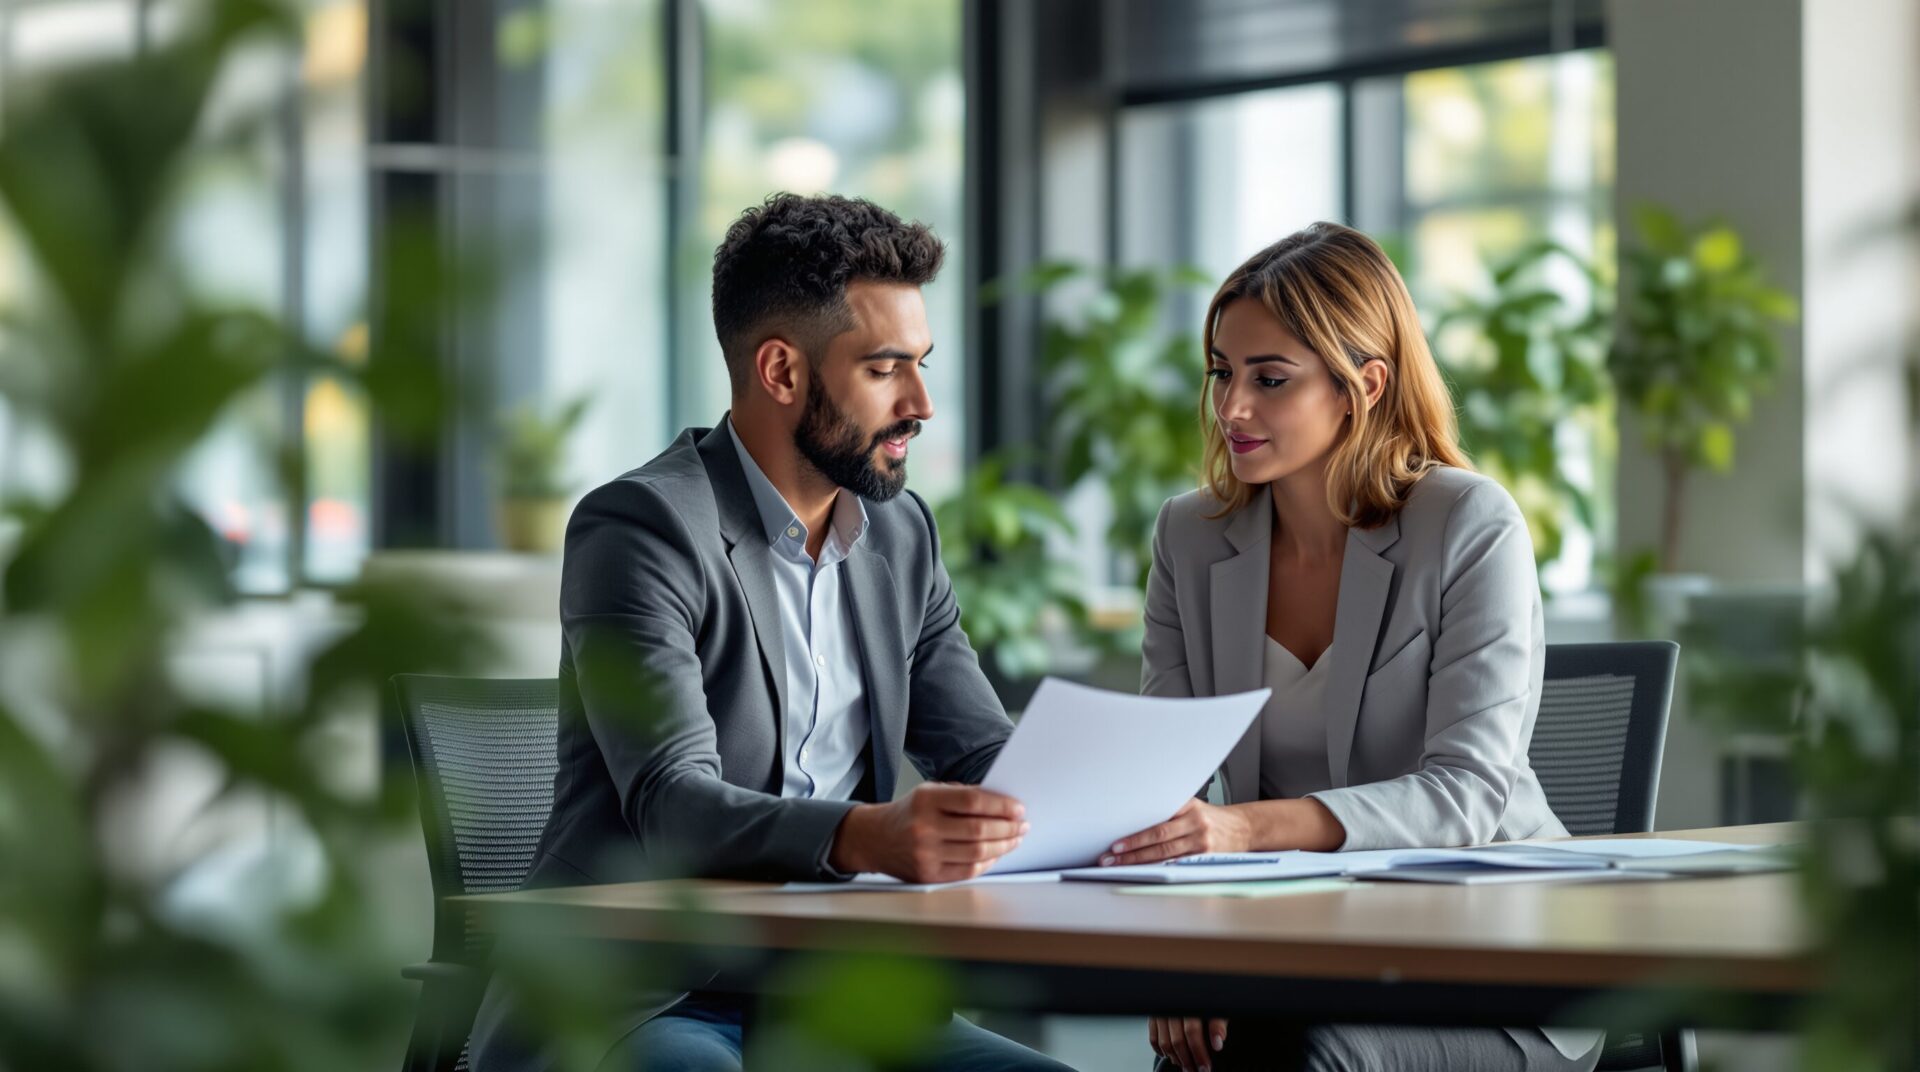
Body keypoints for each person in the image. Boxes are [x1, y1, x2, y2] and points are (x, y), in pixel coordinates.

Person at [469, 193, 1073, 1072]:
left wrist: (1120, 806)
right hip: (642, 991)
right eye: (885, 369)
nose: (922, 404)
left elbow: (981, 753)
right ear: (782, 371)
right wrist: (865, 835)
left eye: (924, 365)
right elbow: (673, 804)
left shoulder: (900, 537)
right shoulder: (642, 526)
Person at [1106, 222, 1602, 1072]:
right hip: (1298, 957)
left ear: (1363, 385)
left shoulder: (1467, 524)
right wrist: (1179, 953)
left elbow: (1467, 794)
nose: (1232, 407)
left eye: (1270, 379)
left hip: (1492, 964)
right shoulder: (1190, 537)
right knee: (1207, 1057)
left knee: (1300, 1055)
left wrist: (1242, 830)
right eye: (1223, 373)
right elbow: (1168, 787)